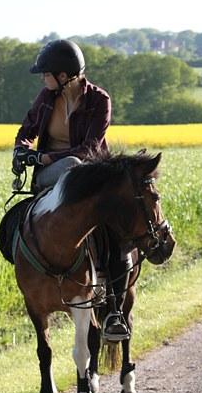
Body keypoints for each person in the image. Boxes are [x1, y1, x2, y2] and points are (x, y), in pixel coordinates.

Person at [13, 39, 130, 342]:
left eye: (46, 74)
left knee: (115, 230)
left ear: (64, 76)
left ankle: (115, 306)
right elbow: (26, 131)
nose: (43, 79)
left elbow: (90, 148)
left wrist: (48, 156)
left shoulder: (99, 100)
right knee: (21, 223)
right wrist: (22, 150)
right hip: (51, 179)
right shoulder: (46, 97)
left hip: (87, 179)